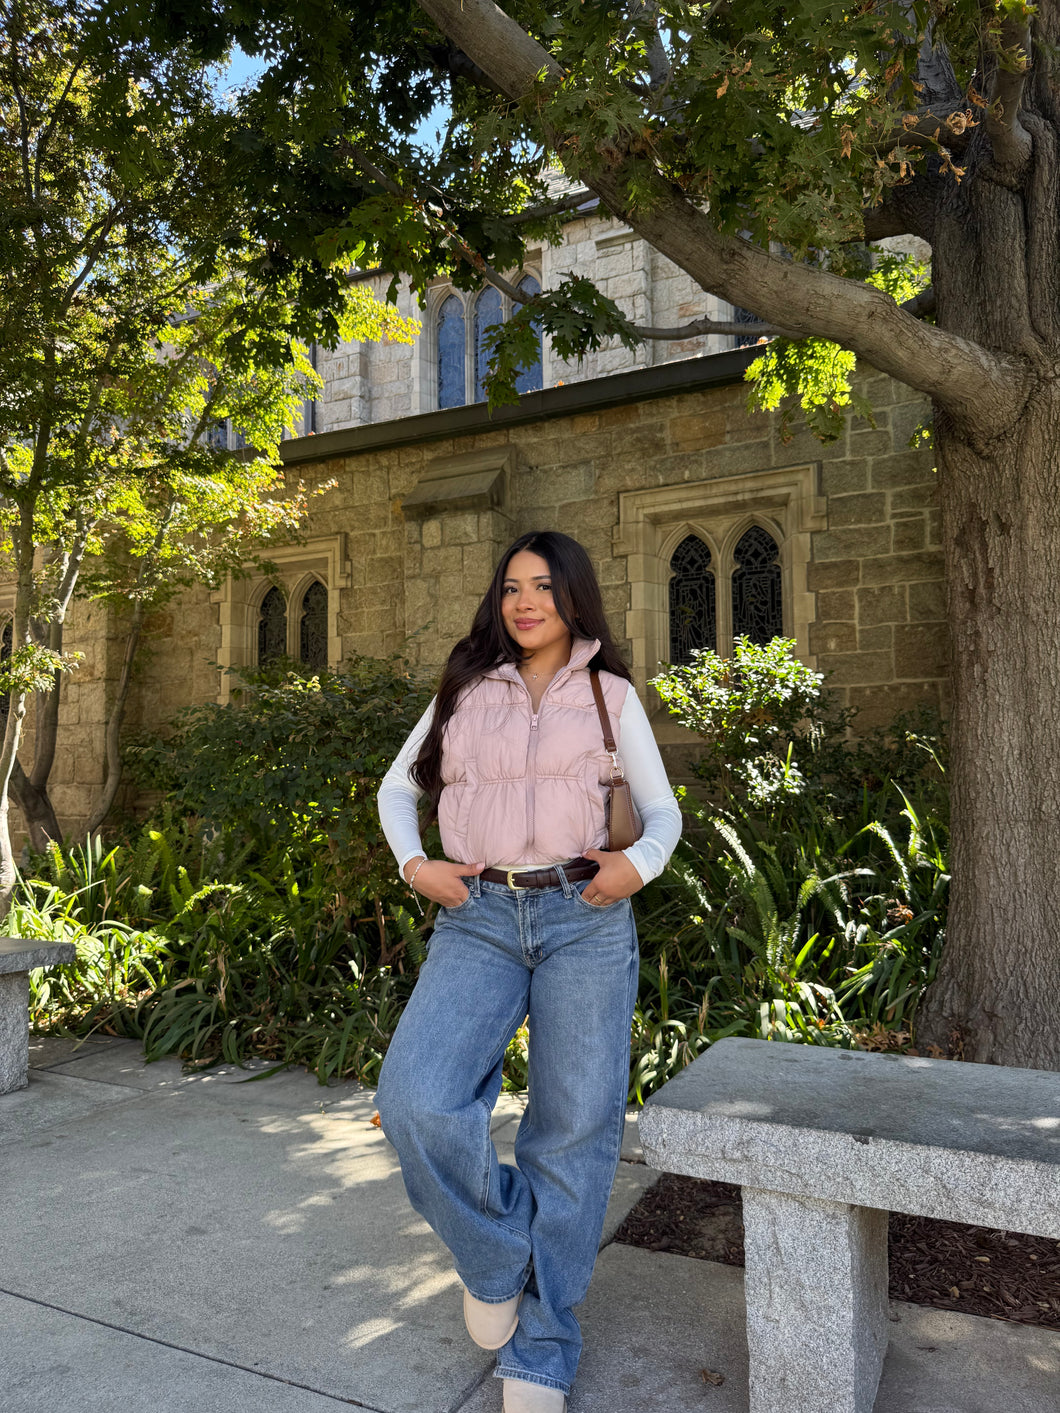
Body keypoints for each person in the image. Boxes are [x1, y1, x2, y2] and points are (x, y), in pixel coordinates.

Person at [375, 530, 681, 1413]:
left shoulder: (608, 693)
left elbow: (660, 815)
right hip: (478, 916)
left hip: (584, 915)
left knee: (573, 1131)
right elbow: (400, 788)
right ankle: (498, 1252)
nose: (524, 600)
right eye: (511, 586)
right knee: (416, 1099)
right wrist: (414, 864)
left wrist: (639, 865)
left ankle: (544, 1344)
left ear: (574, 598)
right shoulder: (466, 689)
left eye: (543, 586)